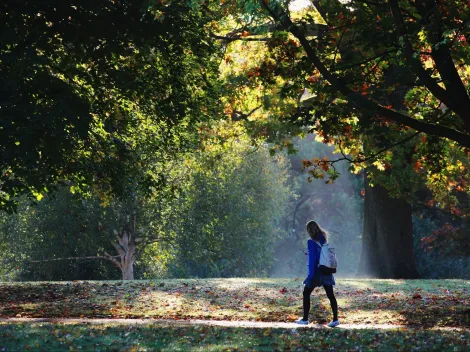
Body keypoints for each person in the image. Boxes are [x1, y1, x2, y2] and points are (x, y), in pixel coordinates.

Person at [295, 220, 339, 327]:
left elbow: (313, 259)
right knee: (330, 295)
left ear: (309, 230)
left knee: (306, 293)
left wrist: (310, 275)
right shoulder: (323, 239)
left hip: (317, 272)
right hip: (326, 270)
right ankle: (335, 319)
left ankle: (305, 319)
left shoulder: (311, 242)